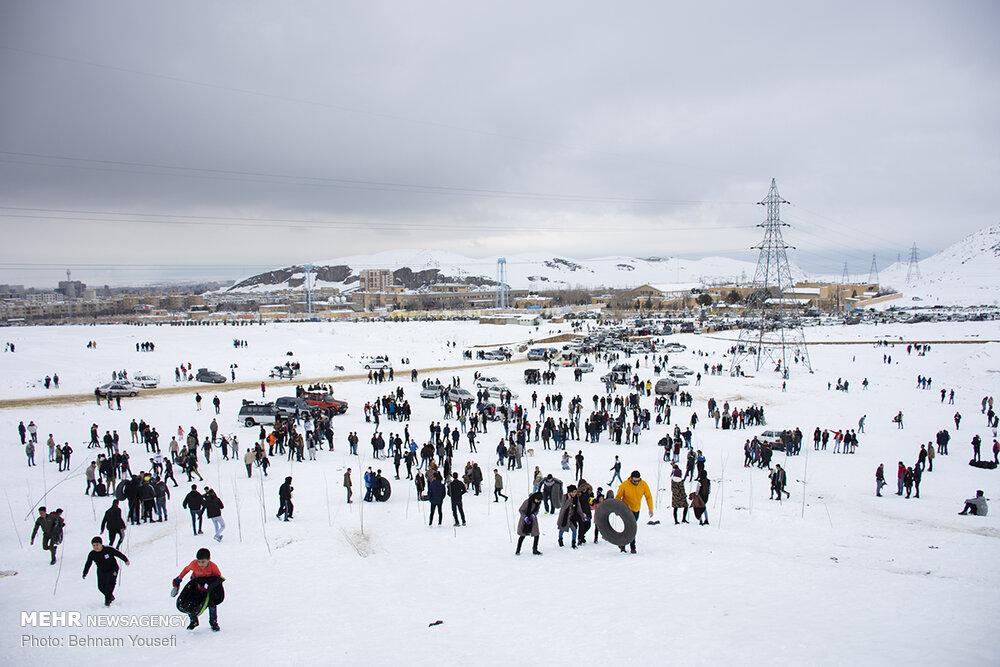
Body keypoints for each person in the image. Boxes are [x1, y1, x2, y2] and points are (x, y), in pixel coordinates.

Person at [172, 548, 224, 631]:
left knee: (212, 604)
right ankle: (194, 621)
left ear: (208, 560)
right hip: (196, 586)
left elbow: (218, 579)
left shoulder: (213, 567)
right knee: (189, 603)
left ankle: (213, 623)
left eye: (203, 562)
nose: (200, 564)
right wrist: (179, 578)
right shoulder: (194, 564)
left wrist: (210, 586)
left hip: (208, 588)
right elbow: (186, 569)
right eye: (199, 561)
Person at [82, 536, 129, 606]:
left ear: (101, 544)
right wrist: (85, 573)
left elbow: (118, 554)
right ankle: (110, 596)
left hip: (113, 568)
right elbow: (88, 563)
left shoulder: (108, 549)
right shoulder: (92, 554)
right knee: (100, 587)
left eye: (97, 545)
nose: (95, 547)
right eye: (93, 545)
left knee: (110, 584)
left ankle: (107, 601)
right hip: (101, 570)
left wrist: (126, 560)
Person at [615, 471, 653, 553]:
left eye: (638, 480)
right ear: (631, 478)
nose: (636, 482)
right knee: (631, 528)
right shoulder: (624, 485)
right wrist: (616, 509)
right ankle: (632, 547)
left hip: (636, 510)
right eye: (635, 481)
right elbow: (618, 497)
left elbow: (648, 496)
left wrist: (650, 508)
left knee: (630, 528)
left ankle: (622, 544)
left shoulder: (643, 484)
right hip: (626, 509)